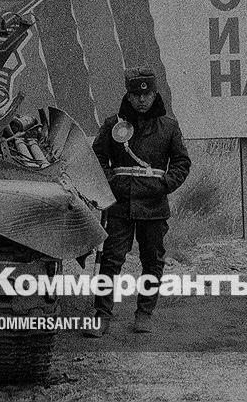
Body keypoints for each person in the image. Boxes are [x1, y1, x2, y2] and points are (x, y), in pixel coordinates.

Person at [86, 66, 191, 336]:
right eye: (136, 95)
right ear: (129, 95)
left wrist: (164, 185)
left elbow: (181, 163)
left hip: (154, 206)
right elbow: (97, 159)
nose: (142, 100)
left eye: (147, 94)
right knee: (110, 260)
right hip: (120, 204)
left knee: (152, 262)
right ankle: (101, 315)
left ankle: (144, 313)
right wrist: (113, 183)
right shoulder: (113, 125)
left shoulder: (169, 127)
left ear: (155, 94)